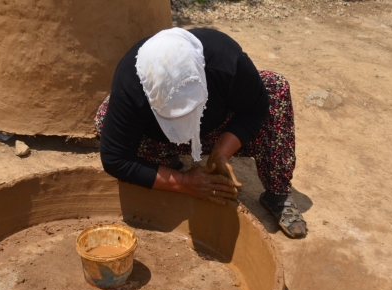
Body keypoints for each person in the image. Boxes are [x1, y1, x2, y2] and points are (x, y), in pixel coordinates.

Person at [95, 27, 307, 239]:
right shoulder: (130, 83)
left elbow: (256, 109)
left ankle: (277, 193)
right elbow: (115, 158)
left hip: (214, 128)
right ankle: (166, 164)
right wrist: (184, 182)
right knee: (106, 120)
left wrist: (222, 152)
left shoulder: (226, 62)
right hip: (158, 138)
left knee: (274, 89)